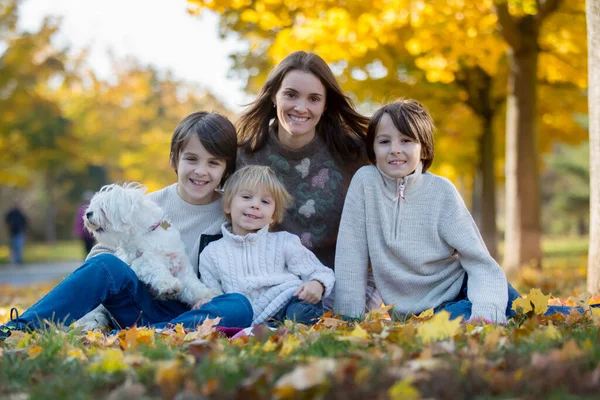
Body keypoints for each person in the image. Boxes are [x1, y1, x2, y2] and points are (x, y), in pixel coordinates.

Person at [0, 111, 253, 340]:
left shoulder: (232, 213)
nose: (201, 171)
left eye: (213, 163)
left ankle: (156, 333)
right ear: (174, 159)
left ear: (226, 168)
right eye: (191, 159)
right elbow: (101, 256)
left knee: (239, 306)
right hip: (137, 303)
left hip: (193, 312)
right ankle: (19, 328)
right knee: (106, 264)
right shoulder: (146, 205)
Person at [334, 99, 515, 323]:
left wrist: (487, 309)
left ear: (424, 148)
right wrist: (348, 318)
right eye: (384, 141)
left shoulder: (441, 191)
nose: (395, 150)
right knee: (450, 320)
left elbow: (478, 260)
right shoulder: (365, 183)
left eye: (406, 140)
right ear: (372, 147)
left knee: (534, 312)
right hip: (421, 313)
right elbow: (350, 254)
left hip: (469, 287)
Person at [236, 50, 380, 311]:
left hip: (343, 284)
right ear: (273, 95)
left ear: (325, 105)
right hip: (272, 288)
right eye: (290, 95)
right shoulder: (245, 156)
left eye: (314, 99)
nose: (301, 108)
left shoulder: (354, 153)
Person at [199, 165, 335, 325]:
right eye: (246, 197)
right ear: (228, 205)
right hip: (246, 316)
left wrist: (317, 284)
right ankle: (269, 331)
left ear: (272, 216)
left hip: (287, 301)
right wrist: (205, 300)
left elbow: (319, 271)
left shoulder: (285, 241)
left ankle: (286, 329)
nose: (255, 205)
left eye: (265, 201)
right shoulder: (212, 253)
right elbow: (213, 294)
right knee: (222, 314)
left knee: (302, 310)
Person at [73, 190, 96, 257]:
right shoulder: (82, 209)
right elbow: (79, 222)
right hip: (85, 233)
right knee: (88, 248)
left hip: (91, 232)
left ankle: (89, 258)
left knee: (90, 248)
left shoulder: (92, 208)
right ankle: (88, 258)